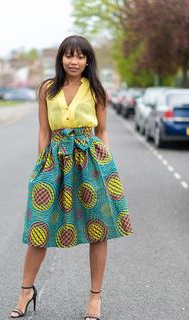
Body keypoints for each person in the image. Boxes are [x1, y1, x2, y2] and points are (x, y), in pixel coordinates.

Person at [10, 35, 133, 319]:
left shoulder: (97, 90)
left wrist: (106, 165)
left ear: (88, 60)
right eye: (68, 55)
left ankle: (95, 297)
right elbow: (43, 131)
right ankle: (26, 291)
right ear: (61, 59)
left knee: (98, 228)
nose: (74, 61)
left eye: (80, 56)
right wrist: (41, 165)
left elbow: (101, 130)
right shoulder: (47, 89)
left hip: (90, 161)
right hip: (54, 161)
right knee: (39, 226)